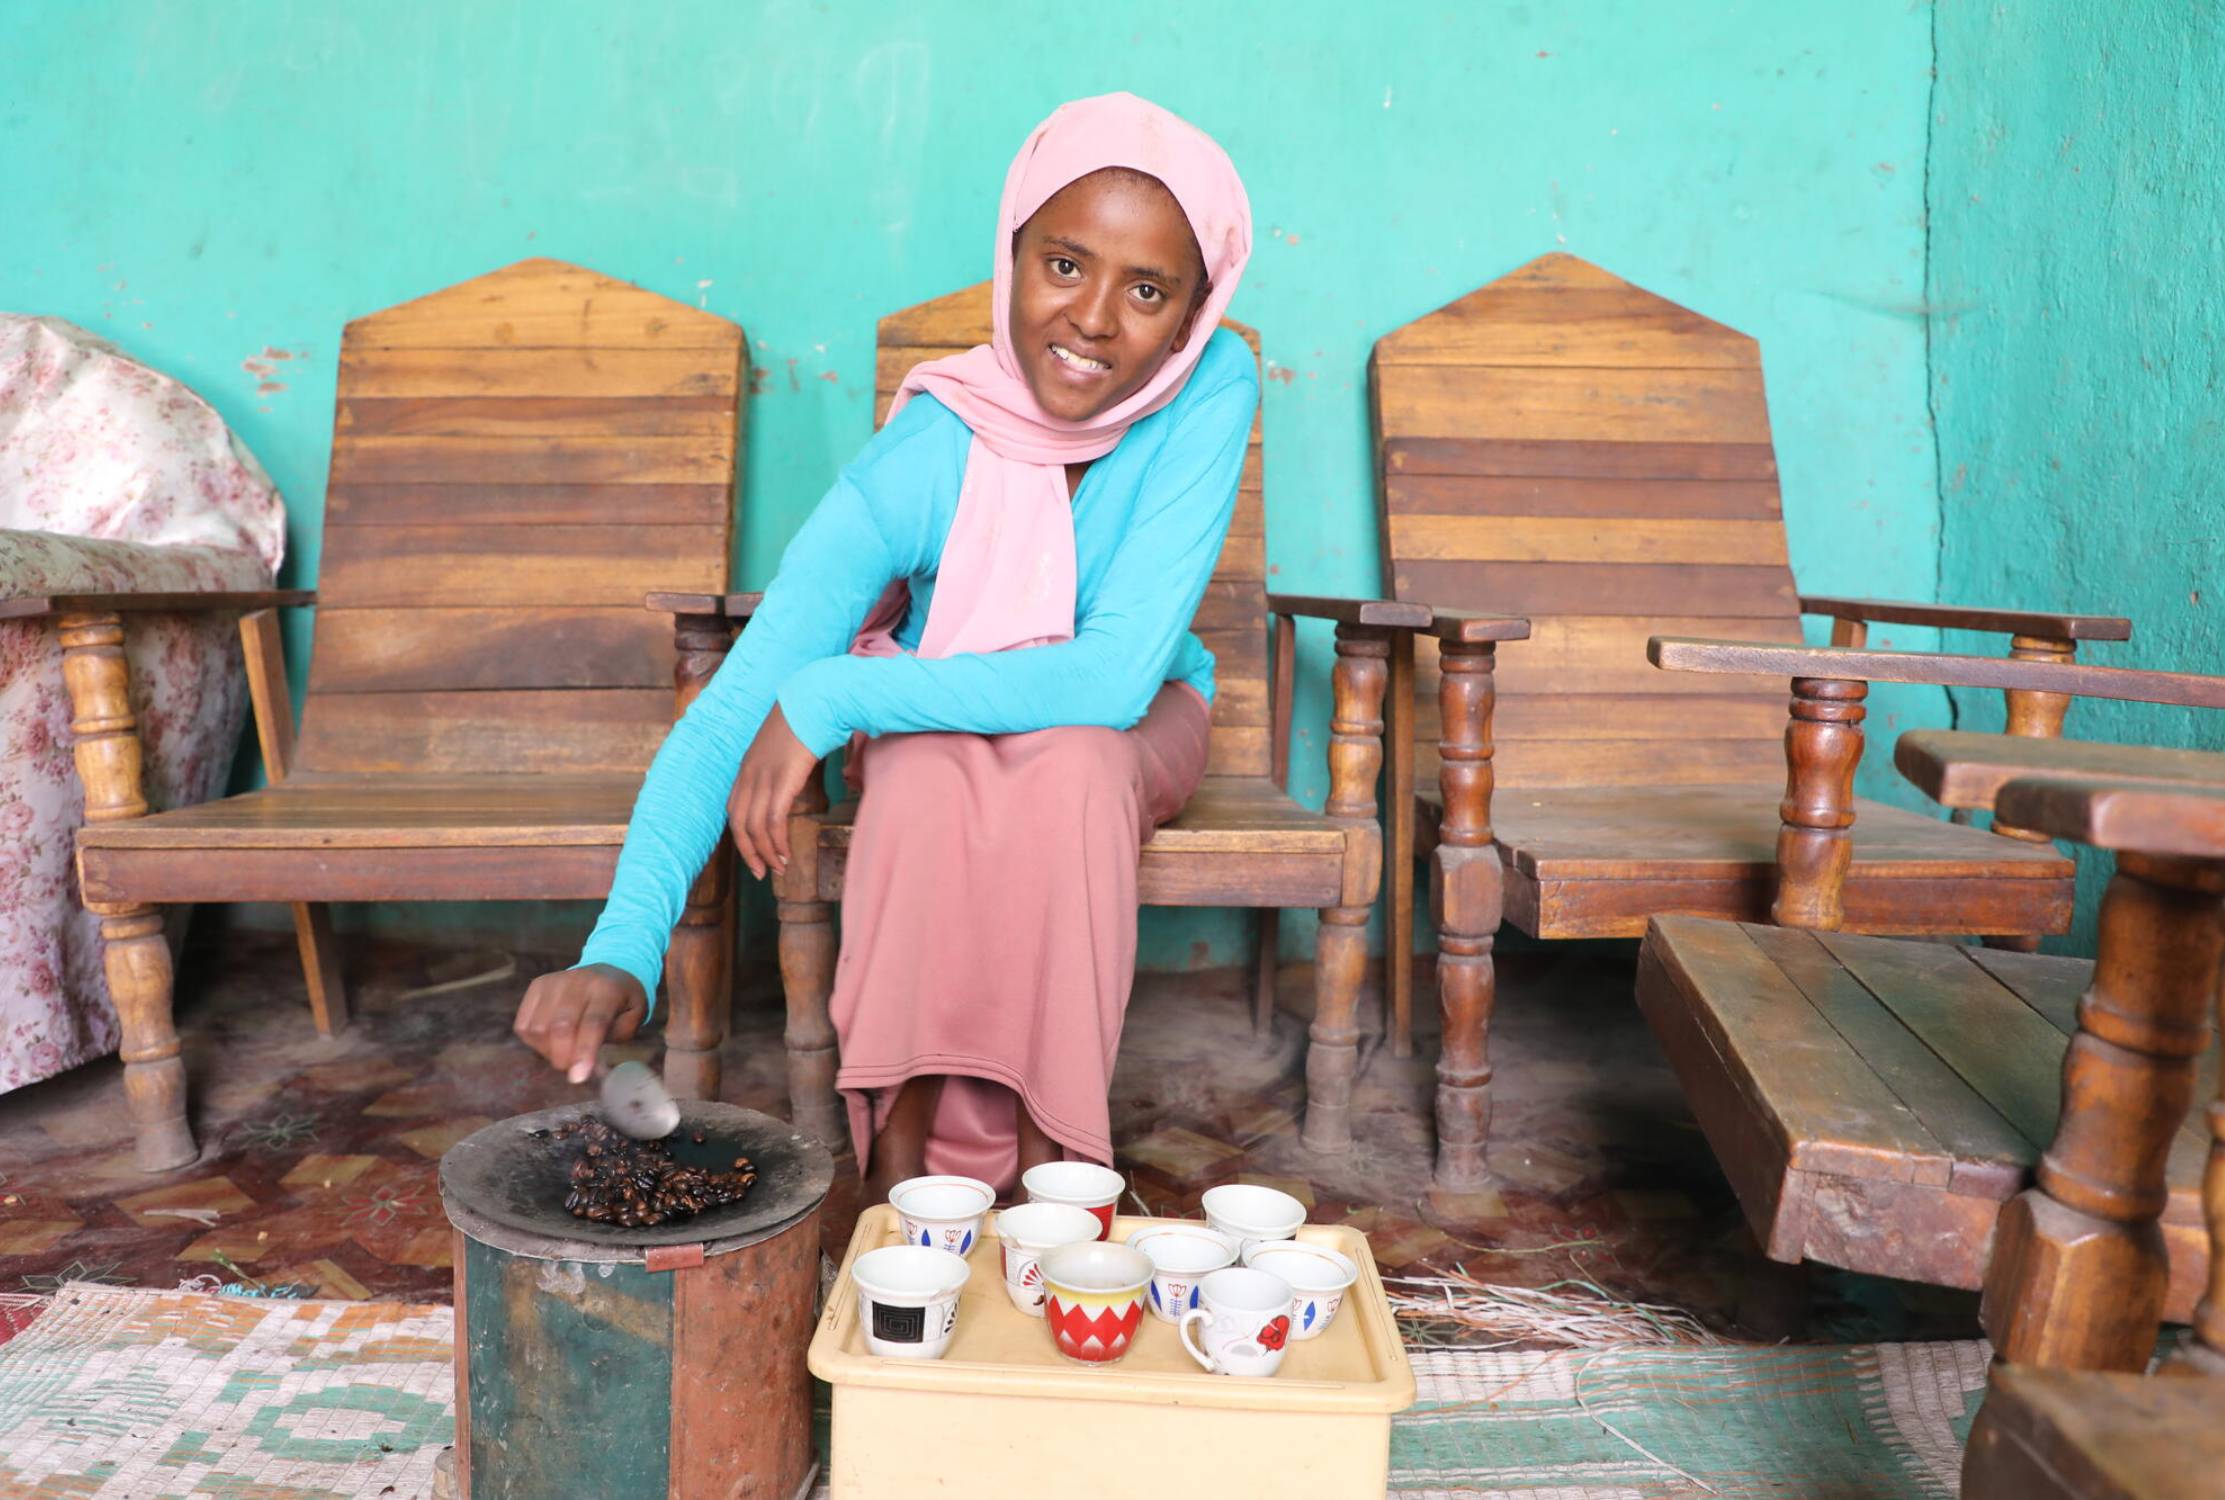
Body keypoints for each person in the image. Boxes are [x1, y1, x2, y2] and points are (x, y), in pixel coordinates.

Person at [513, 92, 1256, 1202]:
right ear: (1009, 257)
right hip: (939, 729)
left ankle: (1056, 1177)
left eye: (1146, 291)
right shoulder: (924, 454)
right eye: (1062, 265)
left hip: (1138, 719)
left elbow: (1108, 679)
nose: (1095, 318)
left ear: (1194, 313)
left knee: (1071, 760)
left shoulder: (1211, 388)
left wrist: (838, 694)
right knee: (914, 768)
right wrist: (620, 946)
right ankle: (902, 1178)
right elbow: (736, 711)